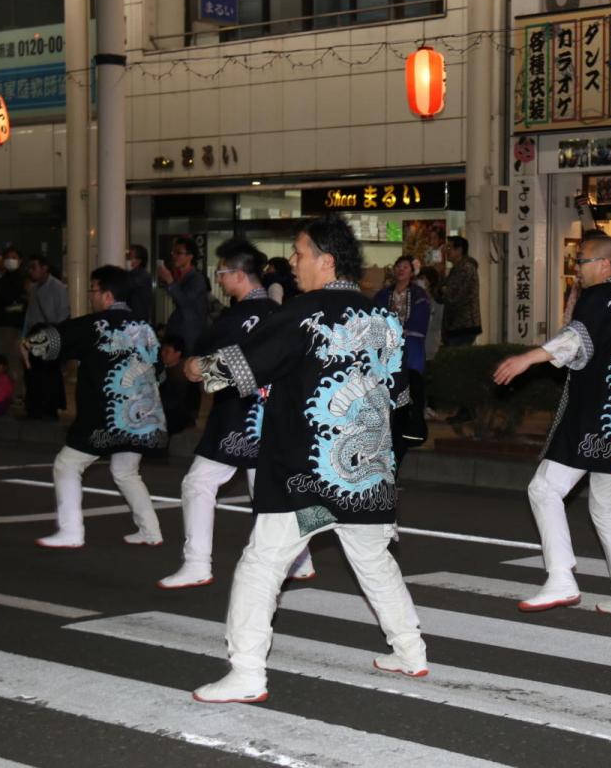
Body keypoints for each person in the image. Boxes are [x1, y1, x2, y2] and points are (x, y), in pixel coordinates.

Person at [186, 213, 427, 704]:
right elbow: (400, 394)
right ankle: (411, 651)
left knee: (261, 564)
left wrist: (194, 367)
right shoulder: (382, 318)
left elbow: (241, 368)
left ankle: (247, 672)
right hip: (368, 476)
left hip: (308, 478)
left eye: (299, 253)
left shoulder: (302, 313)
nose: (292, 262)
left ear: (326, 260)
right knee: (374, 561)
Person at [493, 231, 611, 619]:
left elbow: (575, 340)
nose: (577, 269)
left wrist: (528, 358)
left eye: (581, 261)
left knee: (544, 488)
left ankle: (561, 577)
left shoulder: (597, 297)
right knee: (605, 508)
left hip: (595, 417)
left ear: (604, 264)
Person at [160, 238, 314, 590]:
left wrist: (194, 368)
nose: (220, 279)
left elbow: (204, 362)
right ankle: (300, 559)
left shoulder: (235, 318)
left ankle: (197, 563)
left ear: (240, 275)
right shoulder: (282, 313)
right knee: (268, 490)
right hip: (276, 414)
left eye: (222, 273)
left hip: (239, 413)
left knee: (199, 482)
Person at [21, 265, 168, 549]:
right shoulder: (145, 328)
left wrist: (28, 343)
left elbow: (51, 341)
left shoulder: (95, 325)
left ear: (107, 295)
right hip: (143, 415)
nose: (91, 295)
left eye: (93, 289)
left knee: (67, 464)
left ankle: (71, 532)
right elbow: (160, 373)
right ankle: (151, 531)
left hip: (106, 416)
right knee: (126, 472)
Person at [374, 256, 431, 470]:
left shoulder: (419, 296)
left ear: (412, 272)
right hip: (386, 358)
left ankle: (404, 441)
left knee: (407, 402)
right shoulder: (383, 295)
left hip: (410, 356)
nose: (400, 270)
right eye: (398, 266)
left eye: (405, 267)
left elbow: (420, 324)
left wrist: (397, 331)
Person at [438, 236, 481, 425]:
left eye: (450, 248)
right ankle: (465, 409)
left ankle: (467, 410)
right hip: (457, 325)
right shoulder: (457, 268)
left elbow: (452, 296)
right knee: (460, 367)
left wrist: (443, 289)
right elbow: (443, 294)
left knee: (461, 368)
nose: (447, 252)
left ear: (459, 250)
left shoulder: (465, 268)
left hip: (463, 324)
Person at [22, 254, 70, 420]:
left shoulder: (58, 287)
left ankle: (50, 409)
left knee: (50, 374)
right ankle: (35, 408)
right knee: (33, 374)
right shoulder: (33, 289)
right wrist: (24, 337)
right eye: (30, 268)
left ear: (45, 268)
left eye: (34, 267)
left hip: (51, 334)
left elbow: (63, 314)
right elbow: (29, 315)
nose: (31, 271)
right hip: (34, 334)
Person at [157, 236, 210, 355]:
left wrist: (170, 280)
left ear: (190, 256)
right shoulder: (182, 276)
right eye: (173, 253)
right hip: (180, 332)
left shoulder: (197, 278)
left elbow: (185, 302)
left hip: (190, 335)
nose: (174, 256)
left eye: (178, 253)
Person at [0, 247, 27, 399]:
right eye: (8, 257)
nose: (11, 260)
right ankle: (7, 391)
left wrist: (7, 300)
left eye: (14, 257)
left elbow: (16, 300)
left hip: (16, 324)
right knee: (4, 359)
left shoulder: (23, 278)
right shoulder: (0, 278)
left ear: (20, 260)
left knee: (14, 360)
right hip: (2, 323)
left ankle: (17, 393)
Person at [157, 335, 199, 436]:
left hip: (177, 420)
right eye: (163, 350)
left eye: (167, 351)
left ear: (177, 354)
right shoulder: (169, 368)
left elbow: (173, 403)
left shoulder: (181, 375)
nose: (162, 353)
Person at [125, 244, 156, 325]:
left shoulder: (141, 276)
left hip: (137, 321)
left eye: (129, 257)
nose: (127, 259)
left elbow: (125, 286)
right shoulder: (135, 275)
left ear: (138, 261)